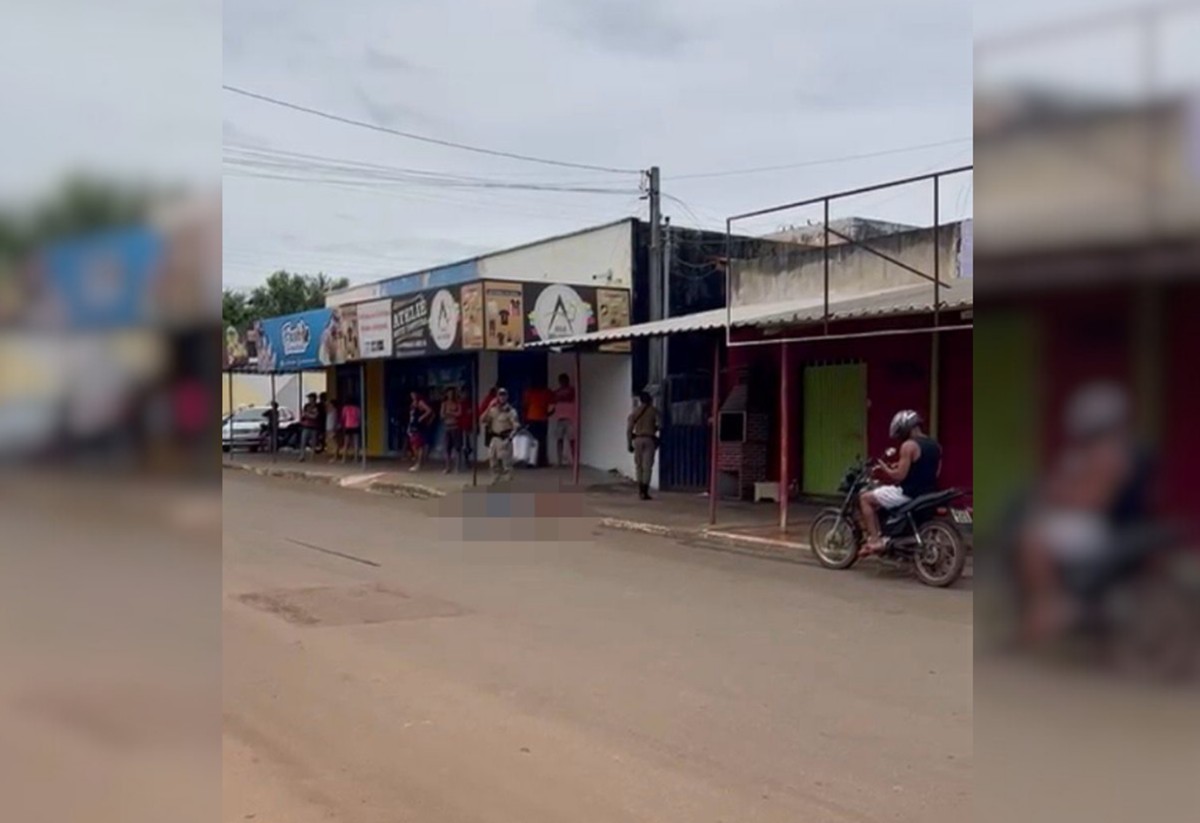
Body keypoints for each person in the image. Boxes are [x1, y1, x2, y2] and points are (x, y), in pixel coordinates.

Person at [1017, 382, 1153, 643]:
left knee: (1033, 541)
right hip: (1092, 521)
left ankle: (1049, 604)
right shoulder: (1104, 451)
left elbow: (1094, 500)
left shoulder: (1108, 455)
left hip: (1091, 524)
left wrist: (1061, 495)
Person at [859, 410, 941, 555]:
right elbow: (933, 471)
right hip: (928, 492)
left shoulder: (908, 446)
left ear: (906, 427)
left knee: (865, 498)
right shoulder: (935, 445)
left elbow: (899, 477)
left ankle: (875, 540)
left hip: (908, 493)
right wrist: (900, 465)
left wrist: (885, 469)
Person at [480, 387, 519, 484]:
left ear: (507, 397)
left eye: (504, 395)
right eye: (500, 395)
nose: (502, 397)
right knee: (492, 459)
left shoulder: (511, 411)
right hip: (494, 438)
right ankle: (496, 478)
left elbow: (516, 427)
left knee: (506, 462)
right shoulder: (493, 410)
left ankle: (508, 482)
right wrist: (489, 407)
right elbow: (482, 419)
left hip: (505, 438)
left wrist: (509, 438)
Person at [626, 391, 660, 500]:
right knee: (647, 467)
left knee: (639, 466)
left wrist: (629, 443)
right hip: (649, 439)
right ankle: (645, 491)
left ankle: (640, 490)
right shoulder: (654, 411)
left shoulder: (635, 412)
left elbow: (629, 429)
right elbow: (660, 425)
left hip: (637, 440)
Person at [549, 373, 577, 468]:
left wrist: (556, 395)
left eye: (564, 380)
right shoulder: (558, 391)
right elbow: (554, 400)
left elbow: (566, 396)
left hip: (570, 418)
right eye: (561, 381)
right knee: (559, 439)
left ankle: (574, 461)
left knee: (571, 440)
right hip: (560, 418)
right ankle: (559, 461)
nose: (562, 382)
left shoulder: (570, 390)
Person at [523, 384, 553, 467]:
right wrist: (548, 414)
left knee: (531, 440)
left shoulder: (529, 392)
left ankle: (531, 461)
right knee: (541, 440)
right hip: (542, 418)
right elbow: (553, 406)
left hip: (531, 418)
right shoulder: (546, 392)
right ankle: (541, 461)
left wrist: (524, 418)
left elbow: (525, 406)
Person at [407, 390, 435, 471]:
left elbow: (429, 410)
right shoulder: (413, 403)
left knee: (418, 444)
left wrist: (421, 417)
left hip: (419, 426)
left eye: (413, 394)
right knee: (413, 444)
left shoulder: (420, 402)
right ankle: (418, 461)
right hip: (412, 424)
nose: (412, 395)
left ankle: (418, 463)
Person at [440, 387, 465, 474]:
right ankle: (447, 467)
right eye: (448, 393)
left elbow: (459, 414)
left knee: (457, 448)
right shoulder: (444, 404)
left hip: (455, 427)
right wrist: (450, 414)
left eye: (451, 393)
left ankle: (457, 467)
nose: (450, 395)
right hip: (447, 427)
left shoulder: (457, 403)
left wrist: (450, 413)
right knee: (447, 448)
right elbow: (442, 415)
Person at [298, 392, 321, 462]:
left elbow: (315, 416)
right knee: (303, 442)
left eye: (310, 398)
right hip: (306, 426)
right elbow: (304, 414)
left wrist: (308, 415)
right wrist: (308, 415)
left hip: (314, 426)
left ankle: (312, 457)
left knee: (313, 443)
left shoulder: (317, 406)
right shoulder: (306, 406)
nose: (309, 399)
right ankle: (302, 456)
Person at [340, 396, 362, 464]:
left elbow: (343, 417)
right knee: (356, 443)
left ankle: (343, 459)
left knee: (346, 443)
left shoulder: (345, 408)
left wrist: (342, 425)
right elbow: (359, 417)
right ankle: (356, 458)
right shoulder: (357, 409)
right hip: (356, 426)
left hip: (347, 426)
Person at [325, 396, 342, 461]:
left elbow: (334, 420)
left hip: (331, 428)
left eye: (330, 404)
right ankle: (335, 455)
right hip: (329, 427)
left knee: (334, 443)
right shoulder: (332, 410)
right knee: (331, 441)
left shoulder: (333, 410)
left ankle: (335, 456)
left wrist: (334, 428)